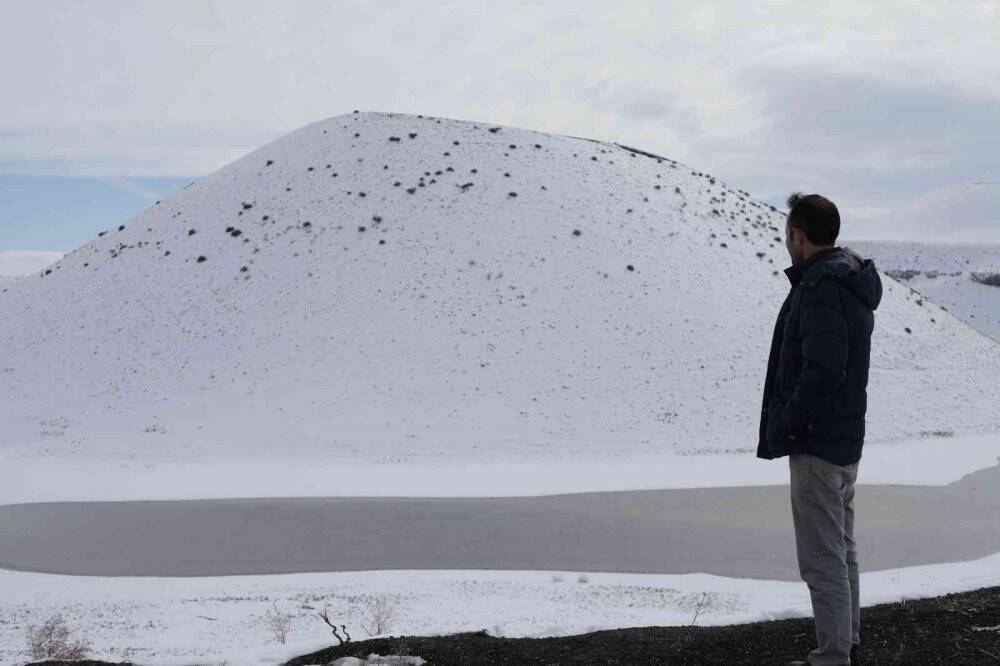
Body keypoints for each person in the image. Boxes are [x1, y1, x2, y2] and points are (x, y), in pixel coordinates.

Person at [757, 192, 882, 666]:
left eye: (788, 232)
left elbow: (823, 369)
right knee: (841, 545)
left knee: (821, 555)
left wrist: (791, 422)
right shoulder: (848, 281)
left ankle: (833, 656)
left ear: (798, 236)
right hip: (844, 438)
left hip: (818, 442)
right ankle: (845, 639)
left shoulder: (821, 286)